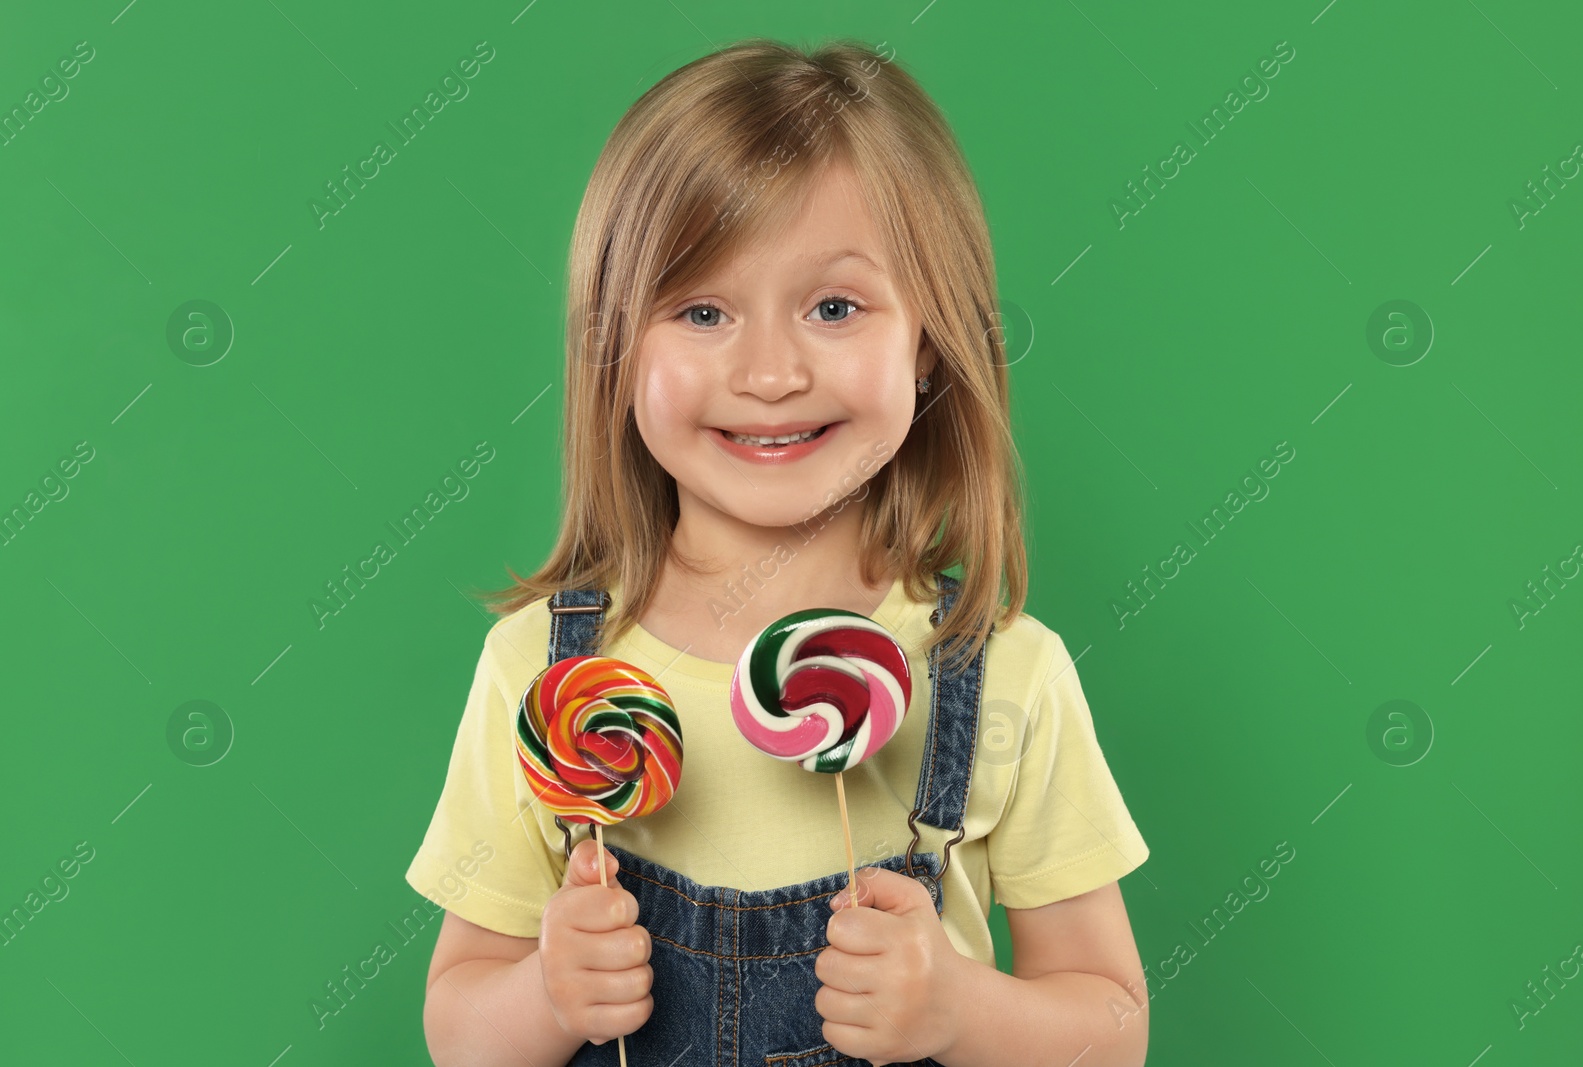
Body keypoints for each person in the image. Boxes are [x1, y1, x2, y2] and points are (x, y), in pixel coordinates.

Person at [405, 36, 1152, 1067]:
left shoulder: (1002, 668)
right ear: (616, 347)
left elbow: (1114, 1025)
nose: (767, 372)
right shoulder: (548, 675)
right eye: (702, 310)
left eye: (834, 307)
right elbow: (457, 1030)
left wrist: (963, 1009)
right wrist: (547, 989)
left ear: (927, 338)